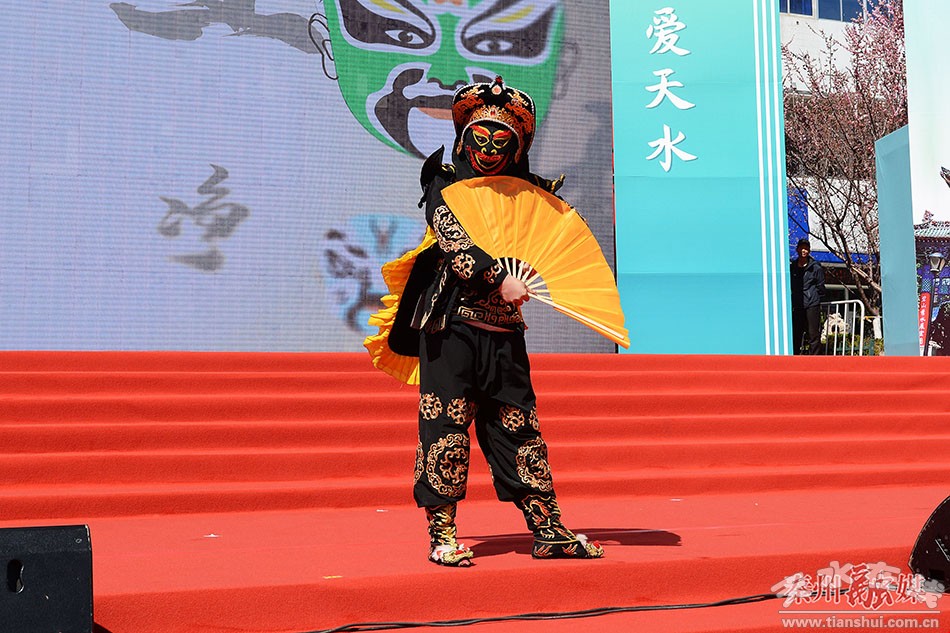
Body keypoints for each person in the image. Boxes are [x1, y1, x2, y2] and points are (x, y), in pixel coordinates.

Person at [375, 77, 604, 567]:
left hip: (505, 333)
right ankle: (442, 534)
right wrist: (499, 277)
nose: (488, 151)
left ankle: (548, 528)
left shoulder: (532, 196)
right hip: (450, 326)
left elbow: (558, 243)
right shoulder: (444, 182)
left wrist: (541, 270)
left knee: (520, 427)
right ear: (463, 142)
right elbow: (453, 238)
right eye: (479, 140)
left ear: (517, 150)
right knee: (446, 425)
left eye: (501, 143)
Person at [790, 238, 826, 355]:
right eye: (801, 248)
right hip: (797, 304)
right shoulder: (792, 267)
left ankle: (814, 358)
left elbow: (821, 287)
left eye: (806, 248)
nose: (803, 250)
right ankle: (794, 357)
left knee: (813, 333)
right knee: (796, 332)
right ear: (797, 249)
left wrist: (816, 298)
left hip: (812, 304)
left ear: (809, 251)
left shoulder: (816, 267)